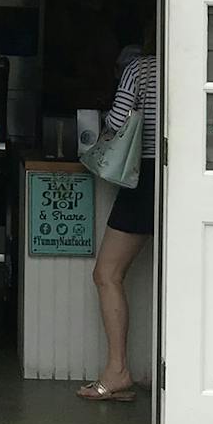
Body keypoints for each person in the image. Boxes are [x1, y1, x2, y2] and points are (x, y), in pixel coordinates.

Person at [78, 33, 159, 403]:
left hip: (144, 178)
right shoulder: (192, 67)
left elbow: (117, 119)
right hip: (185, 182)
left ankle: (117, 370)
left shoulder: (140, 69)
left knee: (107, 273)